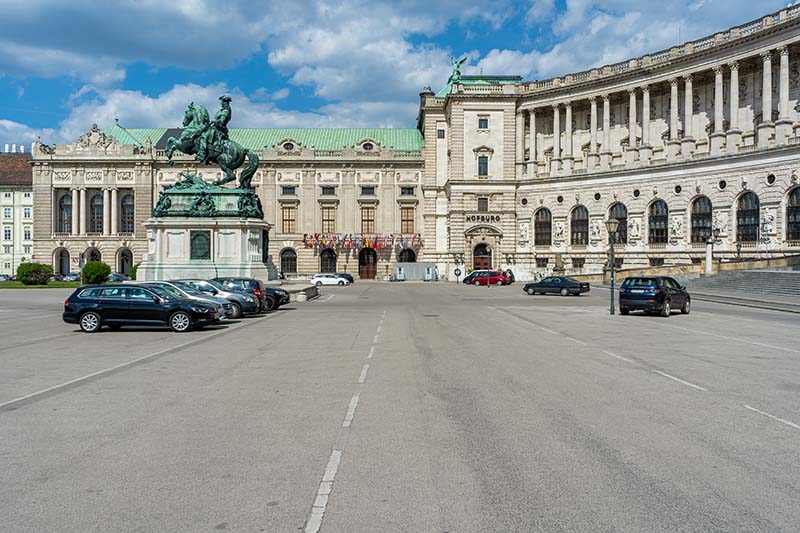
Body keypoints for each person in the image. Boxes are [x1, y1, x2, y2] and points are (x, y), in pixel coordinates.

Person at [197, 95, 232, 163]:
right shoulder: (222, 110)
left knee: (204, 137)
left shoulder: (225, 111)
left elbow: (222, 122)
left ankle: (202, 154)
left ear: (225, 102)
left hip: (219, 130)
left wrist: (215, 122)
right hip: (217, 128)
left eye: (222, 102)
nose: (221, 103)